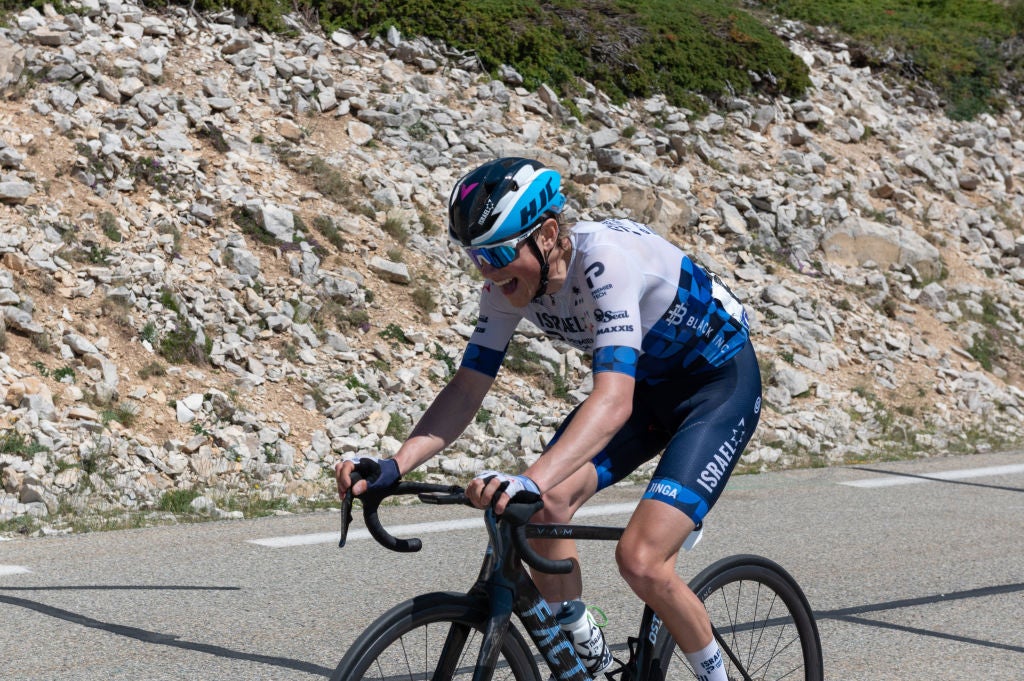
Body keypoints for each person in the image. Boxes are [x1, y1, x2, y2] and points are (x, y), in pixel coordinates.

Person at [335, 157, 762, 681]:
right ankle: (591, 658)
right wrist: (395, 464)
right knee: (549, 503)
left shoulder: (606, 264)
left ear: (549, 234)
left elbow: (612, 402)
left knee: (642, 560)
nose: (486, 271)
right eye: (474, 256)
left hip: (715, 387)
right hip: (645, 390)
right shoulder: (508, 285)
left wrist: (526, 478)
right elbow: (469, 386)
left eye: (495, 252)